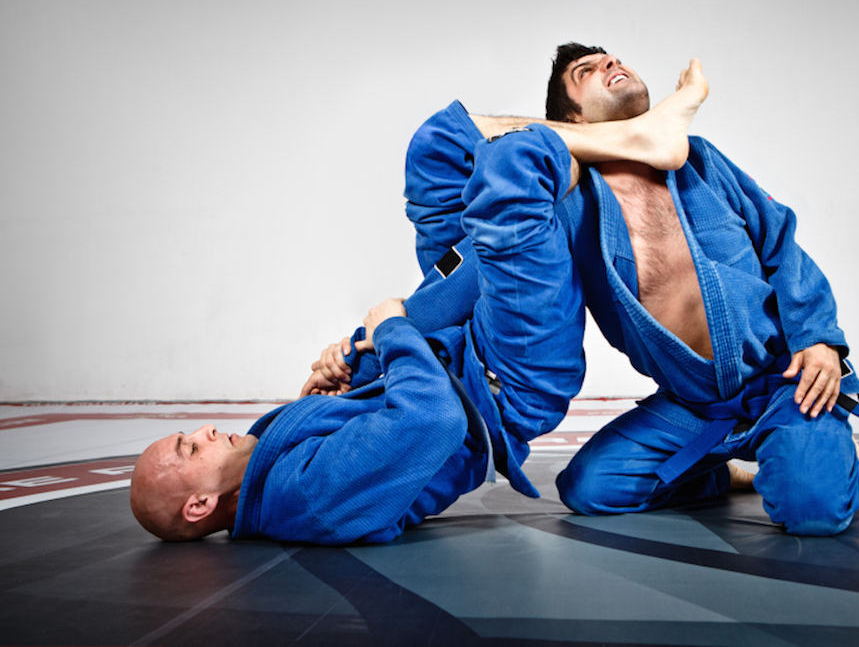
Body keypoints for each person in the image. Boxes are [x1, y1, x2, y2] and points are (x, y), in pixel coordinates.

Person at [129, 71, 710, 544]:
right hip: (505, 373)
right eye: (190, 448)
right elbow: (433, 419)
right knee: (521, 184)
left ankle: (630, 136)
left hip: (450, 337)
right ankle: (638, 137)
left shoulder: (266, 465)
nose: (204, 431)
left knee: (438, 144)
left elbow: (368, 411)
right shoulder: (306, 500)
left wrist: (342, 371)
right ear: (200, 505)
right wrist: (393, 331)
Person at [403, 44, 859, 537]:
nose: (611, 65)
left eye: (612, 59)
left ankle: (828, 451)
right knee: (589, 489)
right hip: (697, 406)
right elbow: (470, 263)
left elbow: (780, 242)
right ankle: (720, 471)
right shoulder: (566, 202)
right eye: (586, 71)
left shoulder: (699, 160)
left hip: (786, 378)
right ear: (572, 118)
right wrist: (383, 329)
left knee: (812, 512)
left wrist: (818, 338)